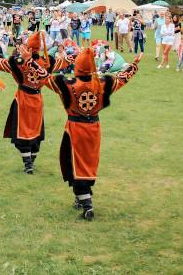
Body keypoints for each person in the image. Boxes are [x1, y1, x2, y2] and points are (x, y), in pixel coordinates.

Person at [44, 48, 142, 220]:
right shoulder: (103, 84)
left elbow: (44, 78)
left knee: (75, 163)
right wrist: (134, 65)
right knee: (87, 163)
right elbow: (122, 78)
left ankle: (87, 205)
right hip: (94, 128)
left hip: (75, 129)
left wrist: (29, 61)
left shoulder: (67, 85)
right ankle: (80, 198)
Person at [0, 31, 75, 174]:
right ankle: (31, 162)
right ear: (39, 48)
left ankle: (28, 165)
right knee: (35, 131)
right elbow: (63, 62)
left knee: (22, 132)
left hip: (23, 99)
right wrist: (76, 56)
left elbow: (0, 63)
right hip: (37, 100)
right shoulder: (46, 62)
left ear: (28, 47)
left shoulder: (19, 62)